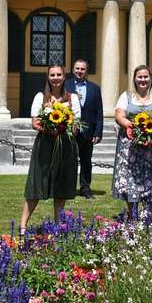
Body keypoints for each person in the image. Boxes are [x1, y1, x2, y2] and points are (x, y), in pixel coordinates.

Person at [19, 64, 81, 236]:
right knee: (36, 184)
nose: (55, 77)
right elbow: (35, 122)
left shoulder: (72, 98)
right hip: (45, 144)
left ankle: (58, 226)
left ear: (64, 77)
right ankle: (23, 226)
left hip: (66, 145)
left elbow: (76, 125)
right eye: (52, 75)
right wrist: (50, 129)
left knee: (61, 187)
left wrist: (65, 128)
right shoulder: (40, 97)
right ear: (48, 77)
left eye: (59, 74)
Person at [112, 65, 152, 219]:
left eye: (146, 77)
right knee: (131, 178)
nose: (143, 80)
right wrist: (130, 126)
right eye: (140, 77)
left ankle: (148, 214)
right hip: (131, 146)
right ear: (134, 79)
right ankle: (132, 214)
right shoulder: (126, 96)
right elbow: (119, 115)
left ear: (150, 78)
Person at [64, 59, 103, 199]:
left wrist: (98, 132)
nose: (79, 71)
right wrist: (72, 99)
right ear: (73, 69)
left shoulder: (95, 88)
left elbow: (99, 112)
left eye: (82, 69)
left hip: (88, 131)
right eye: (77, 68)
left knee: (86, 160)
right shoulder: (65, 85)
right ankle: (68, 188)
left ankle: (85, 188)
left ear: (86, 71)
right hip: (69, 130)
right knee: (69, 160)